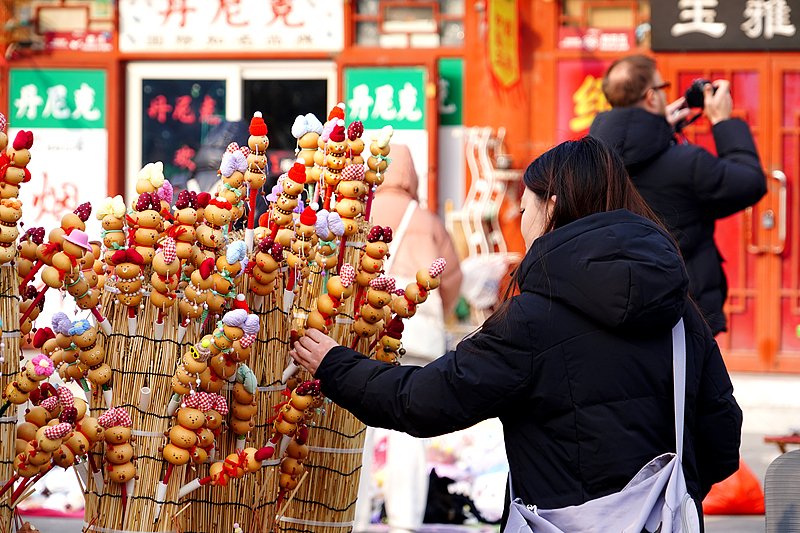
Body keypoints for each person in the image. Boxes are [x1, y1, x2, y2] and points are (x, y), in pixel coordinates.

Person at [290, 136, 743, 531]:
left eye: (524, 207)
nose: (520, 219)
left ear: (551, 207)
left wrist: (334, 362)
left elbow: (422, 401)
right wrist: (650, 498)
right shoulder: (680, 312)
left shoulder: (532, 319)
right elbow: (722, 441)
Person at [589, 54, 767, 336]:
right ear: (651, 98)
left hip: (612, 308)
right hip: (683, 310)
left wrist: (658, 130)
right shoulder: (688, 163)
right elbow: (751, 183)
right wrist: (722, 121)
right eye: (663, 88)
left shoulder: (591, 162)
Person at [353, 144, 463, 533]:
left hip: (365, 331)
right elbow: (451, 279)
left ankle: (354, 515)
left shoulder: (359, 211)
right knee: (408, 427)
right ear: (412, 175)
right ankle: (405, 521)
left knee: (357, 426)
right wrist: (442, 314)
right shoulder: (428, 220)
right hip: (416, 335)